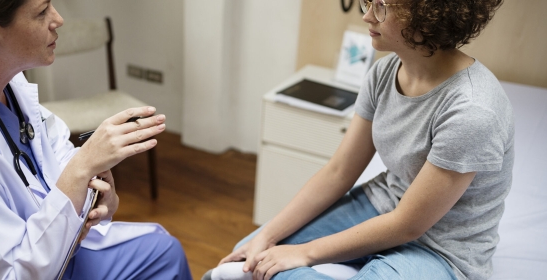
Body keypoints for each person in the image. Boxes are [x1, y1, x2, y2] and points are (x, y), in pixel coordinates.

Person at [0, 0, 192, 279]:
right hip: (21, 269)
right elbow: (12, 272)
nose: (58, 19)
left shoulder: (6, 79)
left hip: (51, 250)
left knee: (165, 252)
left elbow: (56, 155)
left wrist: (99, 196)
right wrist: (84, 166)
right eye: (42, 11)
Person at [206, 0, 511, 279]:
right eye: (367, 1)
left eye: (381, 6)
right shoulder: (383, 73)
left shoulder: (472, 110)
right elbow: (338, 171)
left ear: (428, 15)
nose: (366, 16)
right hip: (382, 205)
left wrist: (304, 252)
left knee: (268, 270)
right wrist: (268, 234)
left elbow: (409, 224)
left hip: (441, 247)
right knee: (249, 255)